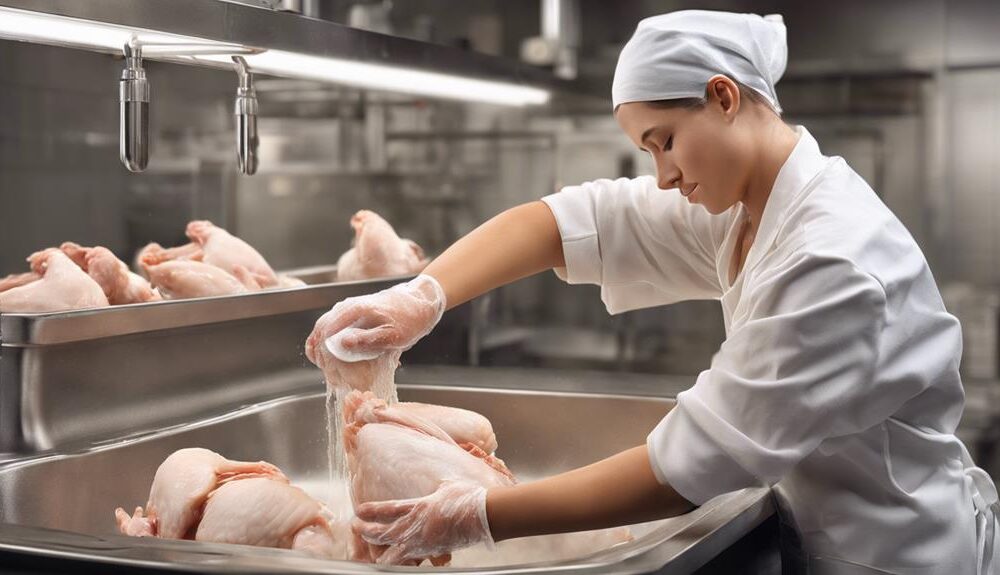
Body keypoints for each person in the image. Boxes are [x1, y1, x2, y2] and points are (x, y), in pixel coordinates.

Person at [306, 10, 998, 574]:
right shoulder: (747, 208)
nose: (663, 175)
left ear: (724, 97)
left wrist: (480, 515)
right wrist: (422, 295)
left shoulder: (831, 259)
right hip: (827, 534)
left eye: (663, 141)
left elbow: (681, 470)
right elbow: (572, 221)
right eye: (648, 152)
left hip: (896, 555)